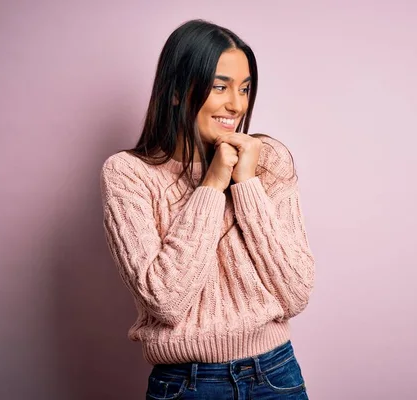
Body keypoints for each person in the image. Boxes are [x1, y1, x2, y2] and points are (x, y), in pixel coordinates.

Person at [100, 19, 315, 399]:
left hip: (275, 375)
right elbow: (165, 300)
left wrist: (246, 183)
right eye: (220, 87)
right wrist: (213, 184)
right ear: (177, 92)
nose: (236, 104)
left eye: (244, 89)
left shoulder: (268, 162)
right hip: (187, 384)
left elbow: (296, 292)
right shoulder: (129, 174)